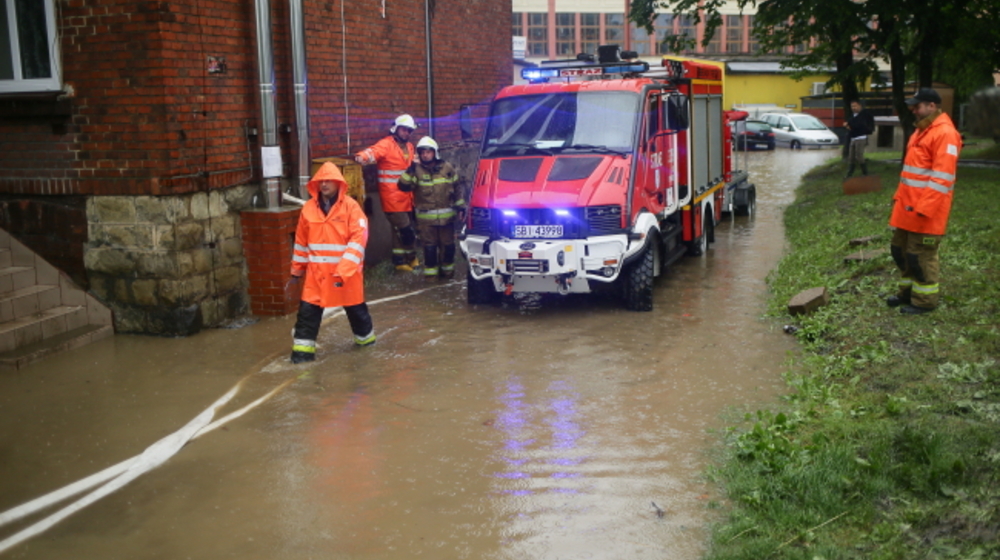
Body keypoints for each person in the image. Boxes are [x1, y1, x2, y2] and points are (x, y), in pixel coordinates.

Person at [287, 162, 375, 364]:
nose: (324, 184)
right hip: (316, 276)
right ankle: (301, 359)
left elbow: (358, 240)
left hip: (346, 276)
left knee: (357, 314)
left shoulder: (351, 208)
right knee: (307, 317)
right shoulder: (308, 209)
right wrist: (296, 272)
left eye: (328, 181)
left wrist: (343, 270)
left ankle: (368, 352)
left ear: (338, 183)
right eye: (320, 181)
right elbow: (301, 242)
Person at [887, 88, 961, 315]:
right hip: (907, 208)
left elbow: (942, 178)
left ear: (932, 106)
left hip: (925, 212)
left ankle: (924, 302)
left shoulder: (945, 134)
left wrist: (924, 208)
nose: (913, 110)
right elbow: (911, 174)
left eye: (917, 106)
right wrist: (899, 200)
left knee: (920, 256)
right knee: (900, 250)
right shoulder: (922, 131)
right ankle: (907, 293)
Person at [354, 114, 419, 272]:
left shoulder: (410, 147)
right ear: (395, 129)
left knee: (398, 231)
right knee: (405, 231)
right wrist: (362, 157)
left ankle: (399, 262)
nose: (406, 133)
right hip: (392, 198)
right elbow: (373, 152)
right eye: (404, 130)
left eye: (409, 130)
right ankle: (412, 258)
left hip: (407, 196)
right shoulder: (386, 144)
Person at [398, 137, 465, 278]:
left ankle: (448, 277)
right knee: (429, 250)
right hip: (426, 223)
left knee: (448, 248)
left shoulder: (447, 168)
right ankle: (431, 278)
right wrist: (409, 169)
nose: (425, 155)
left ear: (435, 153)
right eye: (422, 153)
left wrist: (461, 207)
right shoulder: (416, 170)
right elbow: (402, 187)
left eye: (428, 152)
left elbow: (457, 187)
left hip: (447, 222)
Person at [844, 99, 875, 178]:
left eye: (855, 106)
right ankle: (849, 173)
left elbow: (859, 125)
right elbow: (849, 124)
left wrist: (849, 126)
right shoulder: (852, 115)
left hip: (861, 137)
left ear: (860, 105)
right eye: (852, 106)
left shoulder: (864, 115)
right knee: (851, 156)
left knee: (859, 155)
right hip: (853, 138)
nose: (853, 108)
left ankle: (865, 172)